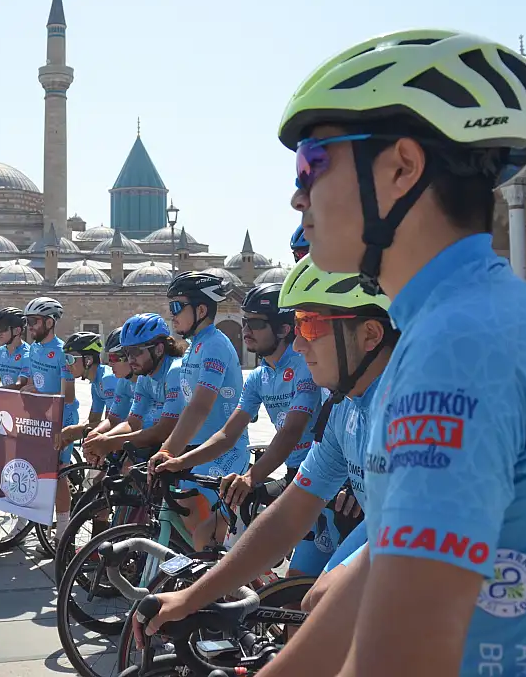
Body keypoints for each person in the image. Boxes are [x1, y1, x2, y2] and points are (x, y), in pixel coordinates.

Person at [265, 29, 526, 675]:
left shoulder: (457, 344)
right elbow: (388, 563)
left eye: (313, 161)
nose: (299, 193)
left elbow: (399, 657)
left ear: (401, 167)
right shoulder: (488, 311)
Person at [145, 262, 396, 635]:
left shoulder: (407, 410)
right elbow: (290, 514)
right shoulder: (346, 408)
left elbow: (291, 432)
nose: (298, 343)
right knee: (308, 605)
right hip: (377, 524)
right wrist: (193, 597)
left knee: (323, 607)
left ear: (370, 334)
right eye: (296, 328)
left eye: (309, 325)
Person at [154, 283, 324, 569]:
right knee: (208, 535)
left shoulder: (303, 365)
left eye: (256, 323)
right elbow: (227, 435)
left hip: (319, 479)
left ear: (283, 329)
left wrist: (252, 476)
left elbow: (291, 431)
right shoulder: (258, 377)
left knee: (293, 586)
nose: (246, 329)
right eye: (244, 322)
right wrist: (178, 459)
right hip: (294, 475)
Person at [148, 271, 250, 549]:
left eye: (177, 307)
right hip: (197, 449)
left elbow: (200, 407)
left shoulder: (215, 345)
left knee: (207, 540)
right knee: (194, 535)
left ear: (202, 309)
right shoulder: (196, 346)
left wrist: (167, 450)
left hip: (224, 453)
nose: (172, 314)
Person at [83, 313, 186, 462]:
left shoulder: (175, 371)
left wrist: (109, 443)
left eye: (136, 352)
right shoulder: (144, 376)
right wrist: (101, 438)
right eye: (126, 353)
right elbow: (133, 423)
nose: (131, 359)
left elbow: (164, 430)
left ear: (159, 349)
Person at [15, 296, 77, 538]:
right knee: (29, 468)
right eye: (27, 321)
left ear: (49, 323)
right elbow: (30, 384)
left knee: (59, 473)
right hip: (39, 420)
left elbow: (68, 396)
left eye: (34, 321)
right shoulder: (33, 350)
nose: (29, 326)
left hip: (62, 420)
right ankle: (22, 520)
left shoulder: (63, 352)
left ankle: (63, 532)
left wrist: (41, 394)